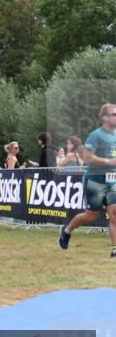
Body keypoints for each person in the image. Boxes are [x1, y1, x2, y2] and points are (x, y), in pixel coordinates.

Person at [59, 104, 116, 256]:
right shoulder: (96, 135)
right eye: (114, 114)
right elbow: (87, 157)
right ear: (105, 117)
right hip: (95, 180)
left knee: (114, 213)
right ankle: (67, 230)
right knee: (91, 215)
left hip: (112, 180)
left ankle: (115, 249)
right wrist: (108, 161)